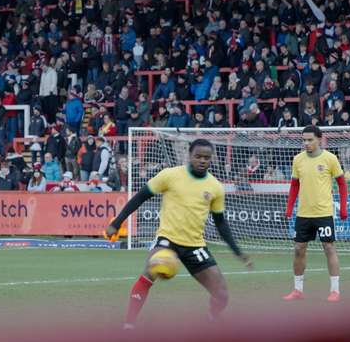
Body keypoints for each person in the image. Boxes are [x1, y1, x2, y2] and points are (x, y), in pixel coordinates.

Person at [105, 139, 252, 329]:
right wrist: (117, 223)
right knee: (148, 273)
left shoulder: (215, 187)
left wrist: (237, 251)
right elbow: (140, 197)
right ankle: (128, 325)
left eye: (206, 158)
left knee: (222, 295)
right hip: (167, 240)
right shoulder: (170, 175)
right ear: (189, 156)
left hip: (195, 246)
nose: (202, 161)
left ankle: (212, 320)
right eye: (198, 156)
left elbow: (221, 224)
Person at [283, 125, 348, 302]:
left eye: (310, 139)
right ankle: (298, 289)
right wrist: (289, 208)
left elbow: (342, 184)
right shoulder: (298, 160)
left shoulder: (330, 159)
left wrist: (343, 207)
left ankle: (335, 290)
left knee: (328, 248)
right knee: (298, 249)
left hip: (323, 212)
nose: (306, 143)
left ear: (319, 139)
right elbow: (294, 185)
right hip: (303, 214)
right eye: (304, 140)